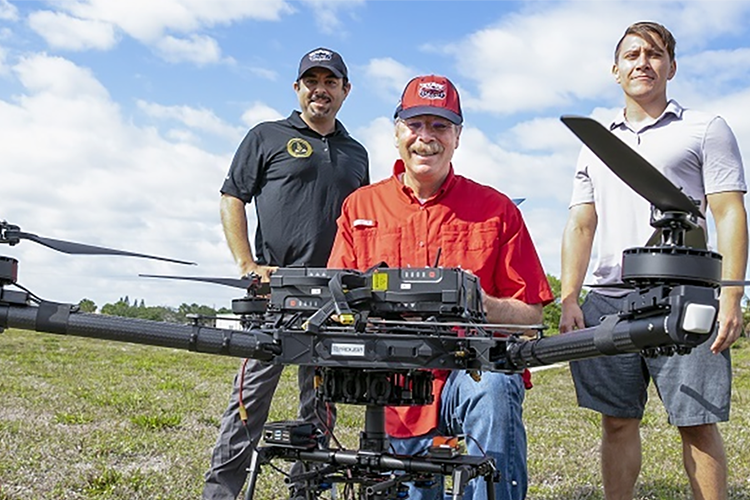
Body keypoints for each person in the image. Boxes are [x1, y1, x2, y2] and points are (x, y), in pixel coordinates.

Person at [328, 74, 554, 500]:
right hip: (393, 389)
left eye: (440, 126)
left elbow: (532, 318)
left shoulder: (497, 210)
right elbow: (335, 302)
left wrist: (476, 302)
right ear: (397, 131)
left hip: (463, 376)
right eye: (415, 125)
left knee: (495, 384)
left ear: (458, 136)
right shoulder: (361, 207)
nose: (425, 138)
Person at [559, 21, 748, 500]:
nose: (643, 62)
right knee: (618, 421)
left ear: (672, 67)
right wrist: (568, 297)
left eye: (655, 53)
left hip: (683, 293)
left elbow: (729, 212)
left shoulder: (706, 128)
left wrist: (731, 293)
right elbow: (582, 223)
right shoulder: (595, 139)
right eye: (632, 55)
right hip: (608, 296)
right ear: (616, 69)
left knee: (697, 422)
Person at [203, 47, 369, 500]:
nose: (321, 89)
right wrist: (246, 264)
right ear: (297, 88)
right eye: (311, 81)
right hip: (274, 294)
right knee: (248, 404)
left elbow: (363, 221)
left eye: (330, 81)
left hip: (333, 301)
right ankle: (221, 493)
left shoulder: (357, 153)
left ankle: (307, 491)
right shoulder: (266, 136)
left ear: (345, 90)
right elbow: (231, 196)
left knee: (320, 408)